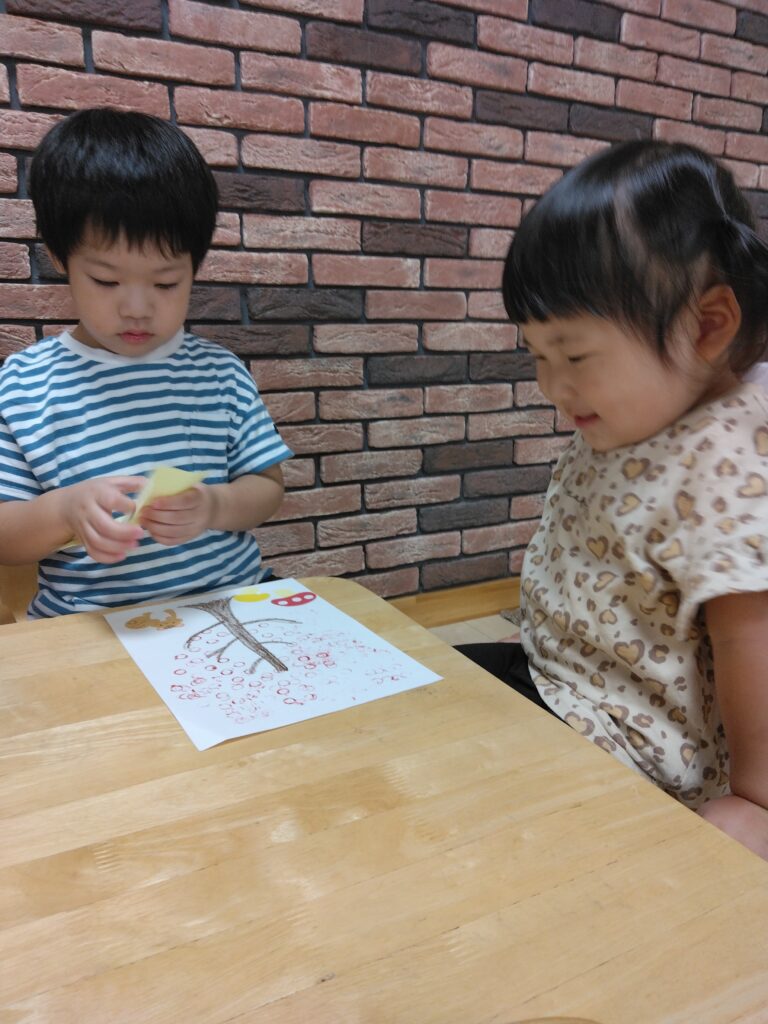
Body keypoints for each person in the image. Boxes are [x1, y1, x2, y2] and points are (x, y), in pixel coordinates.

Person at [459, 140, 768, 860]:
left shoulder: (726, 466)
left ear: (708, 326)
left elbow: (752, 637)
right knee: (423, 693)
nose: (551, 385)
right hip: (561, 683)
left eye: (574, 355)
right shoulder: (638, 415)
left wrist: (755, 800)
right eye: (536, 355)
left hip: (627, 752)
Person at [0, 108, 290, 617]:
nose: (137, 307)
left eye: (165, 283)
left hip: (225, 605)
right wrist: (64, 512)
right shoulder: (24, 386)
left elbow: (267, 488)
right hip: (91, 624)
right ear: (60, 258)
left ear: (195, 268)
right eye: (106, 281)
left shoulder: (220, 374)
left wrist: (214, 505)